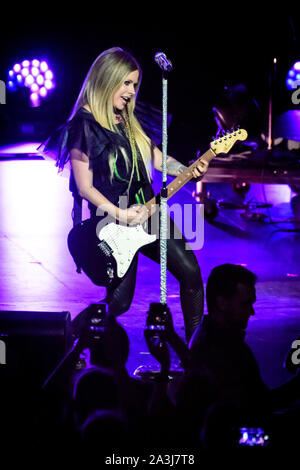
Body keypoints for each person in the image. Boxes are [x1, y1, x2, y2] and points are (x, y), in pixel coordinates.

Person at [41, 47, 208, 342]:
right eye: (126, 83)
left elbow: (157, 157)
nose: (131, 91)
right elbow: (85, 186)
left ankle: (196, 352)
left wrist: (186, 168)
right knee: (119, 302)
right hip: (112, 219)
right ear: (107, 80)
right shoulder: (84, 125)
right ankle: (66, 338)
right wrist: (121, 214)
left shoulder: (128, 118)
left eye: (135, 84)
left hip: (149, 210)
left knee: (192, 275)